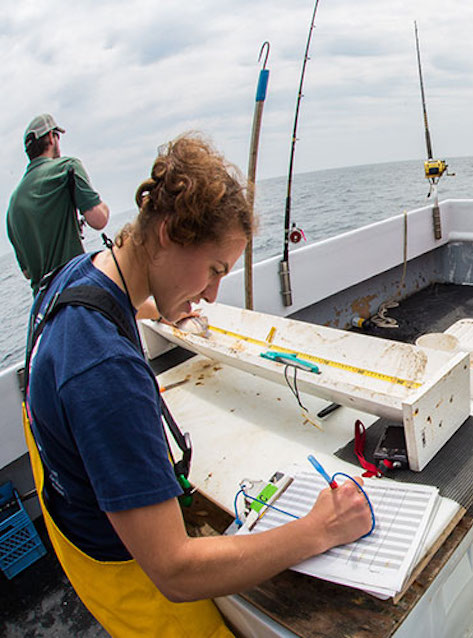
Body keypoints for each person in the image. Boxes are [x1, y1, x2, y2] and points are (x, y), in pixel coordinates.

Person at [22, 134, 372, 636]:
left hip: (74, 521)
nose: (210, 294)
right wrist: (320, 529)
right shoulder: (104, 372)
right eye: (212, 270)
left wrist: (159, 304)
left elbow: (117, 302)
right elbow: (175, 569)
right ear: (167, 232)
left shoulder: (79, 275)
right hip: (133, 575)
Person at [7, 114, 110, 294]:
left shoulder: (12, 206)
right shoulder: (67, 167)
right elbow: (99, 220)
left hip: (44, 306)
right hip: (77, 290)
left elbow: (27, 273)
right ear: (51, 138)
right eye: (57, 136)